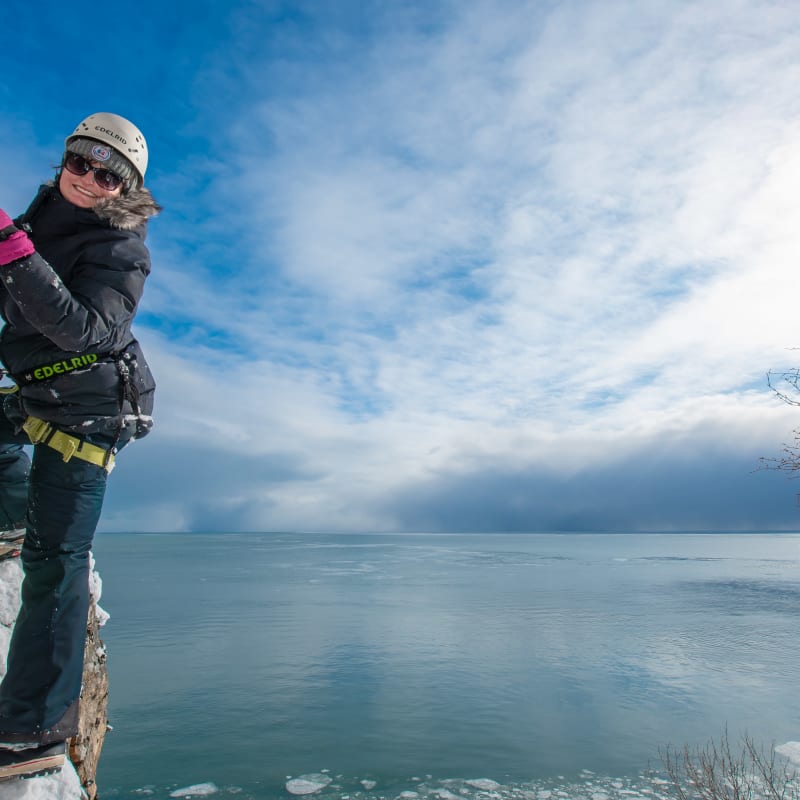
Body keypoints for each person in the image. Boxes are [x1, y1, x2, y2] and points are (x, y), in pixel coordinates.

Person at [0, 112, 160, 780]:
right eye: (81, 162)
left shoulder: (124, 250)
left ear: (125, 187)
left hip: (95, 410)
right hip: (41, 387)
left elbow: (87, 329)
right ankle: (9, 515)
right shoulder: (44, 217)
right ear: (66, 158)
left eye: (107, 173)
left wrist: (13, 251)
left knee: (56, 559)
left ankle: (33, 728)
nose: (89, 179)